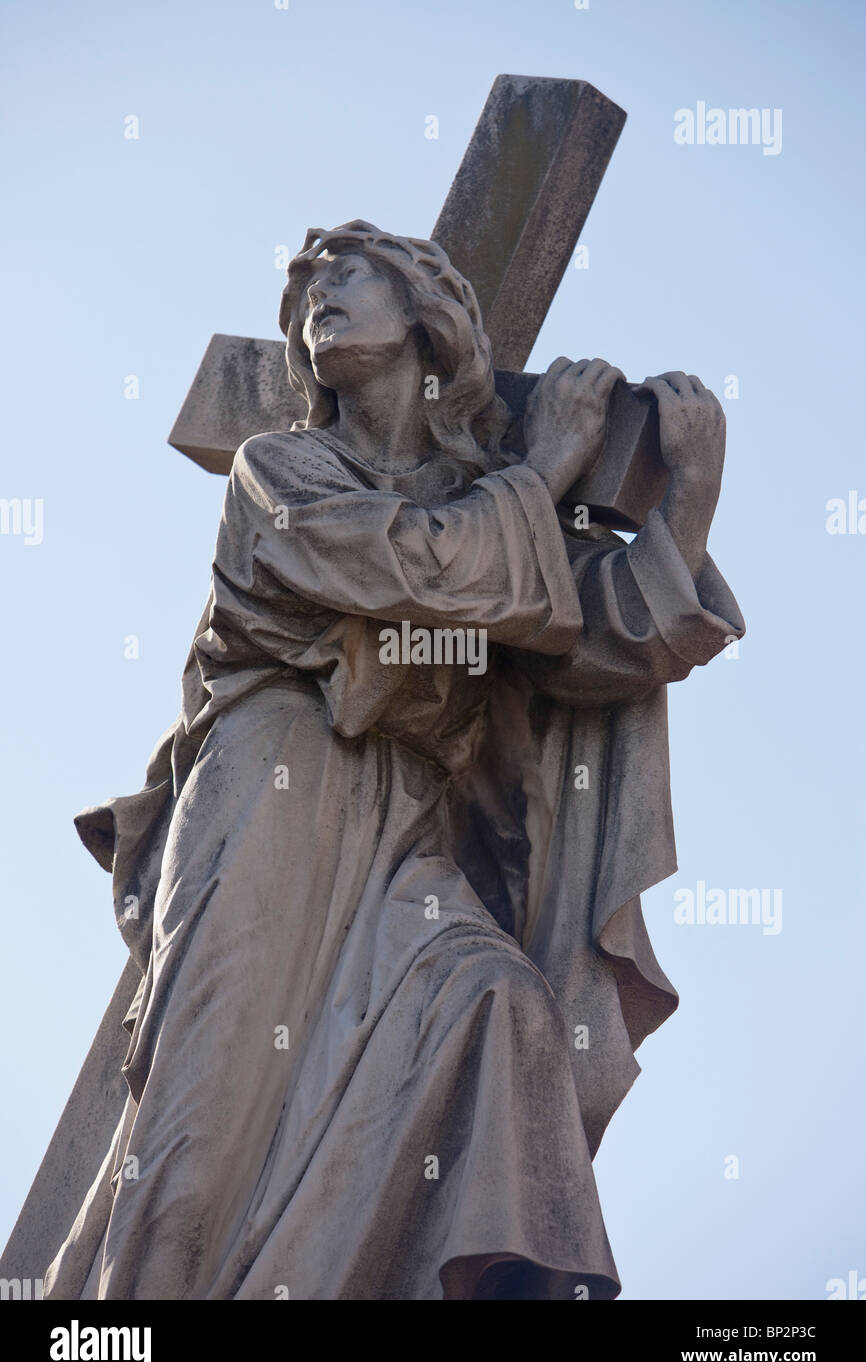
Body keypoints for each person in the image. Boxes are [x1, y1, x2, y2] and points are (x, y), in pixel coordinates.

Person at [44, 221, 744, 1300]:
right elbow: (414, 571)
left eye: (347, 272)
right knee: (201, 1132)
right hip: (272, 791)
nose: (316, 293)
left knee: (497, 1007)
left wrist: (684, 499)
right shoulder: (280, 471)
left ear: (429, 308)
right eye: (304, 286)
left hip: (411, 828)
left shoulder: (486, 499)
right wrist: (546, 467)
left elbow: (592, 640)